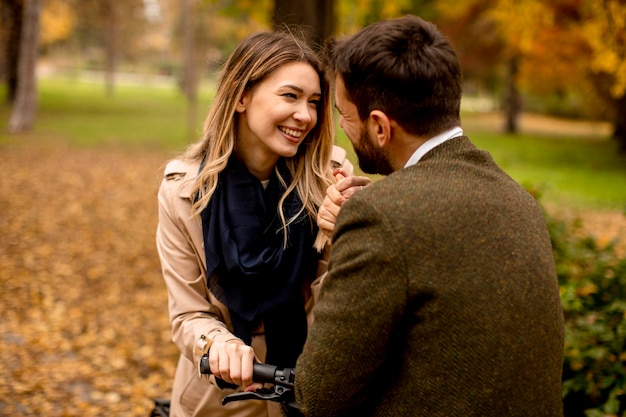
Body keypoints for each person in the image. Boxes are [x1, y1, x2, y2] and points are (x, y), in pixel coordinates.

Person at [295, 15, 564, 416]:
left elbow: (319, 396)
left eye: (343, 114)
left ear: (380, 127)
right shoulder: (518, 201)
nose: (339, 128)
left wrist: (358, 235)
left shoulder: (381, 218)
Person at [156, 31, 353, 417]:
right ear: (241, 96)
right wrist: (218, 345)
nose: (306, 116)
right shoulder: (184, 191)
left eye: (314, 103)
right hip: (221, 400)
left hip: (309, 393)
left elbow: (343, 301)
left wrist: (339, 234)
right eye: (290, 96)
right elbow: (188, 314)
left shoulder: (331, 180)